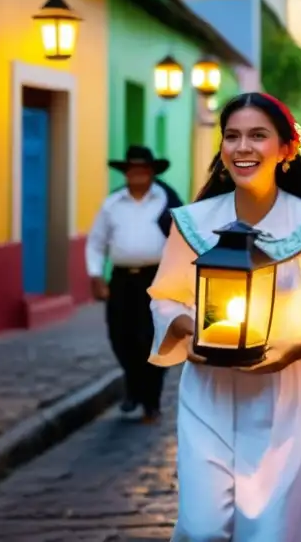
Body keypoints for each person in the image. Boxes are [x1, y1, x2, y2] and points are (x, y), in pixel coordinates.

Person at [146, 93, 301, 542]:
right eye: (232, 136)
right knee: (202, 527)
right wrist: (192, 330)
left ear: (286, 150)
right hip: (207, 389)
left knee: (269, 532)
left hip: (284, 396)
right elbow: (165, 299)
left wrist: (299, 346)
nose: (242, 147)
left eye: (257, 136)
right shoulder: (192, 222)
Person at [85, 145, 183, 422]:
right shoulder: (112, 204)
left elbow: (181, 242)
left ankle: (150, 400)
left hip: (157, 280)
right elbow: (95, 243)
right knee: (121, 337)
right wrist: (95, 276)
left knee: (153, 339)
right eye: (133, 170)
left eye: (143, 170)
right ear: (126, 173)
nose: (138, 175)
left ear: (152, 172)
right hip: (122, 280)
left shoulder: (167, 201)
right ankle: (134, 388)